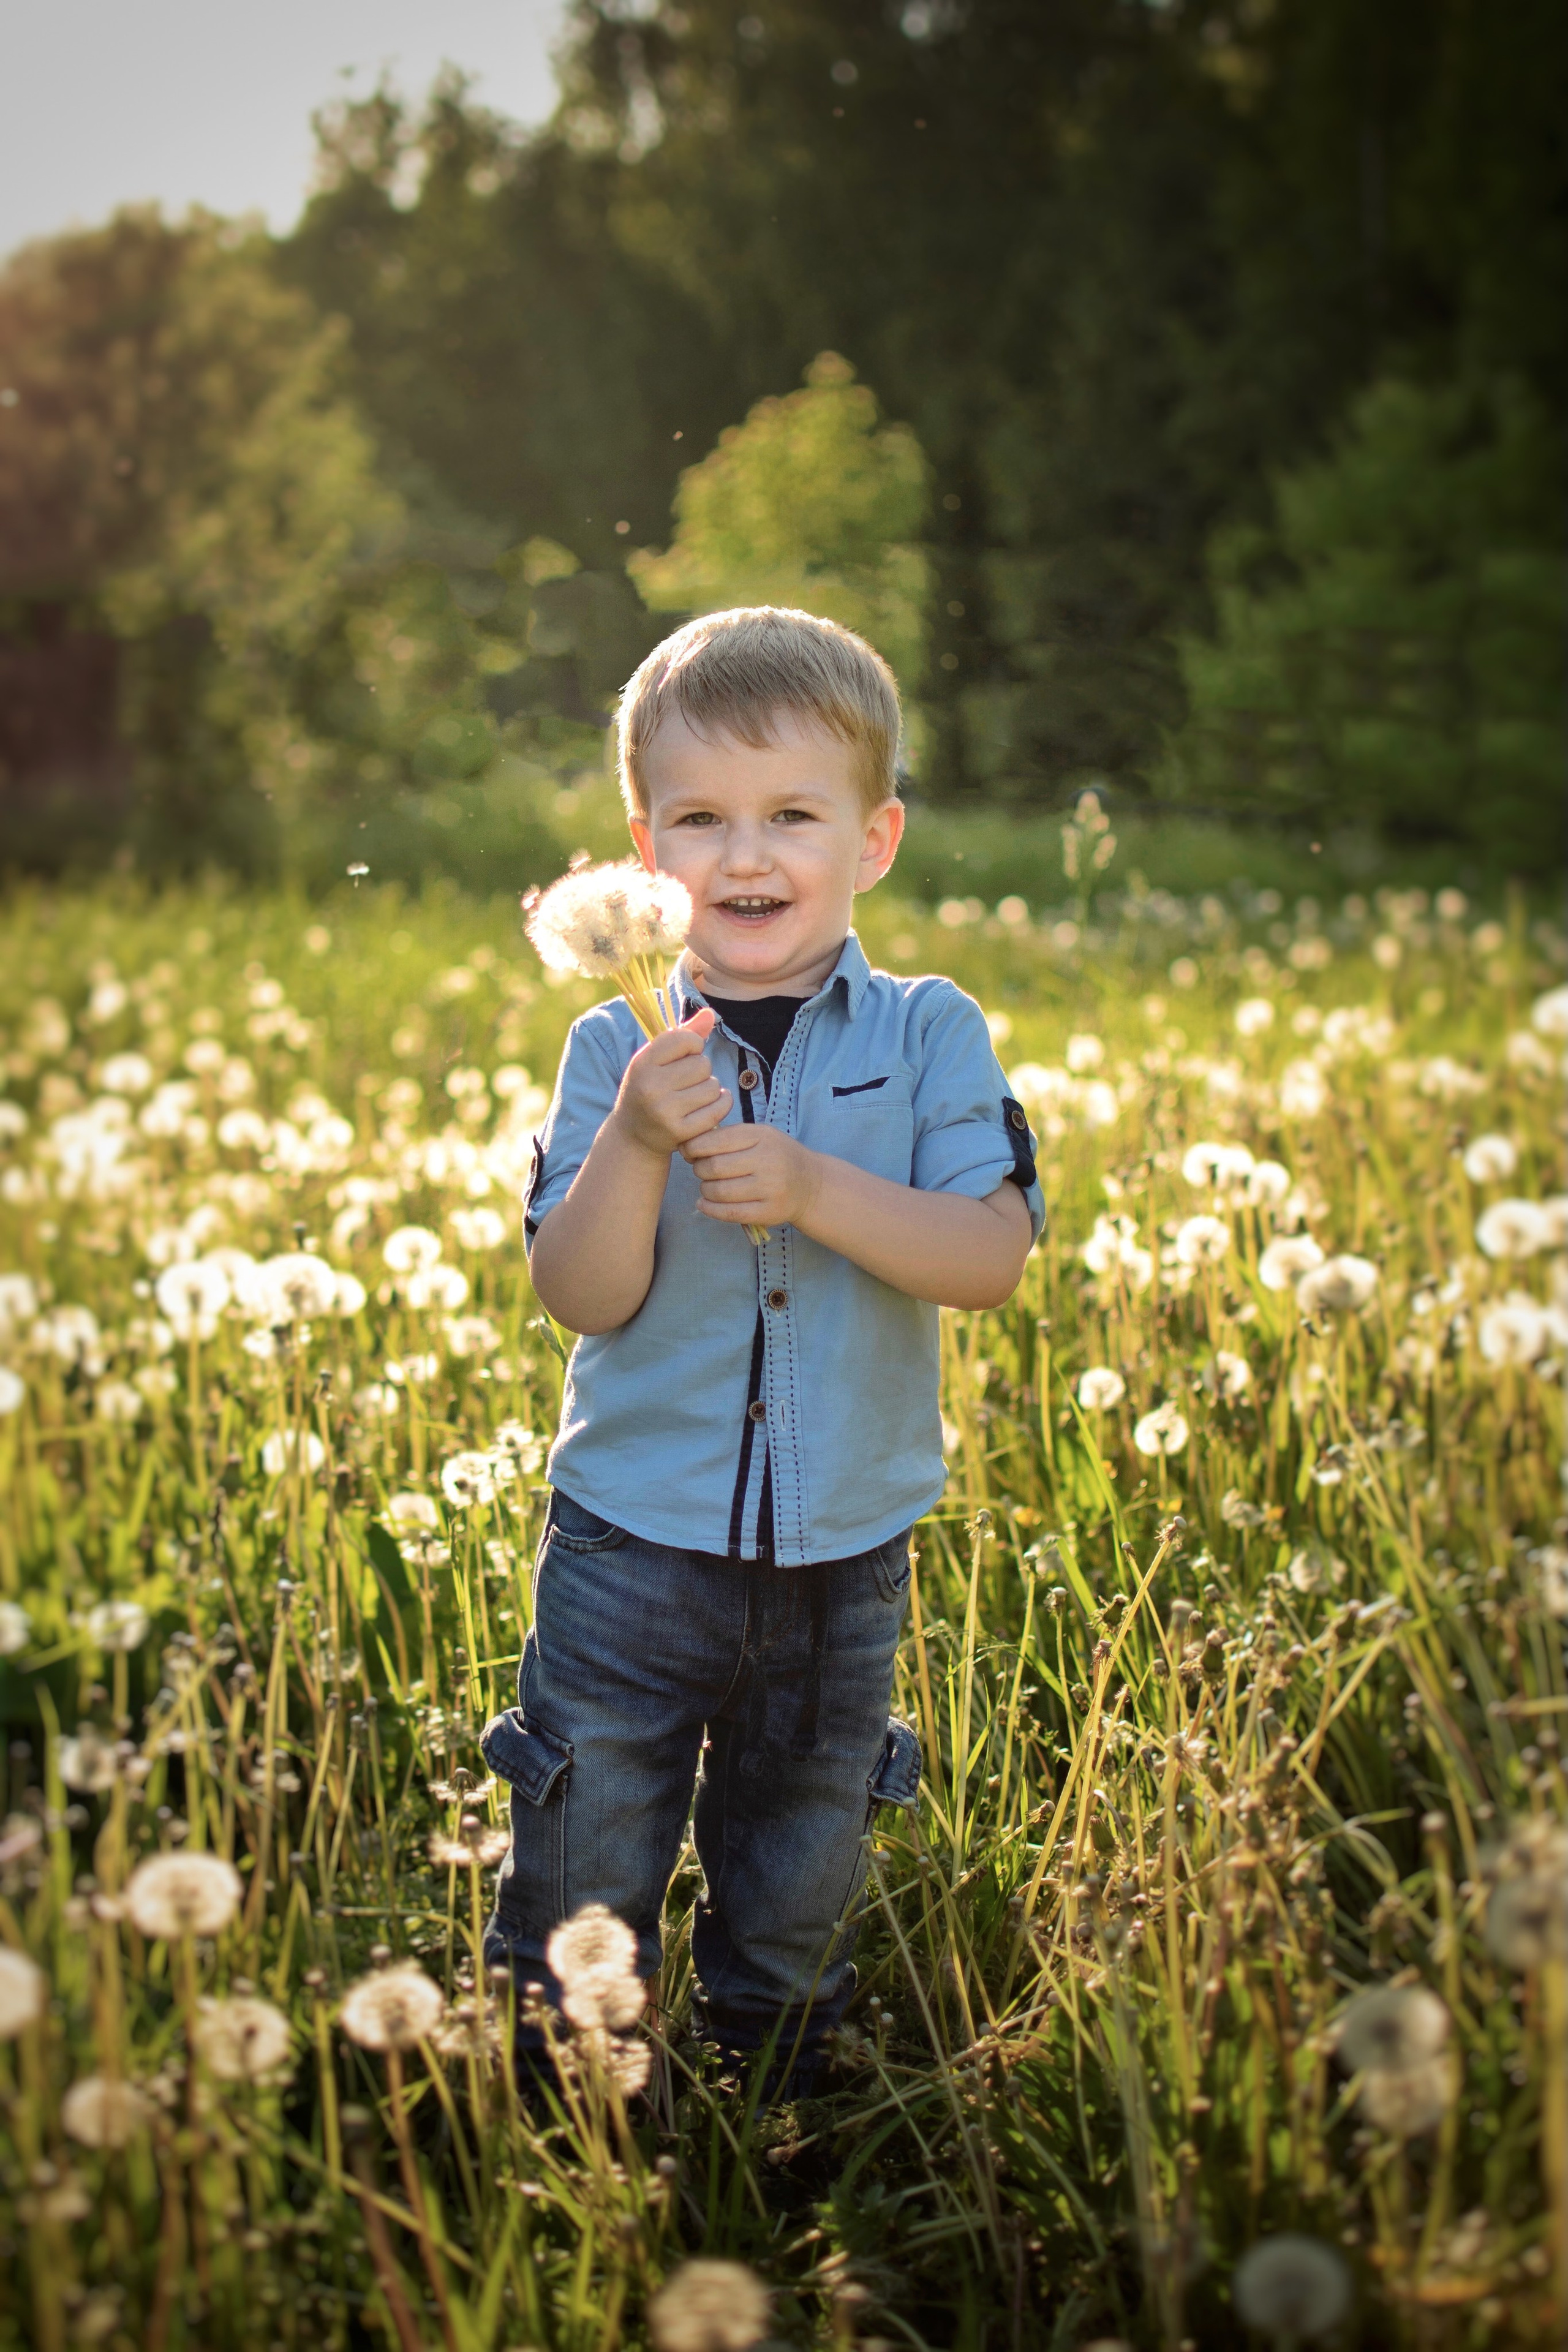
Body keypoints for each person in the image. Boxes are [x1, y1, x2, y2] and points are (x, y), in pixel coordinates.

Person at [482, 605, 1043, 2089]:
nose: (744, 858)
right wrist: (636, 1145)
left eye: (791, 815)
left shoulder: (930, 1034)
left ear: (874, 839)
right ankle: (565, 2086)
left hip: (844, 1553)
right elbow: (581, 1294)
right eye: (701, 820)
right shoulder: (618, 1050)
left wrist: (810, 1189)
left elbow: (986, 1259)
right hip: (627, 1548)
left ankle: (777, 2072)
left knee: (803, 1832)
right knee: (590, 1822)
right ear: (639, 850)